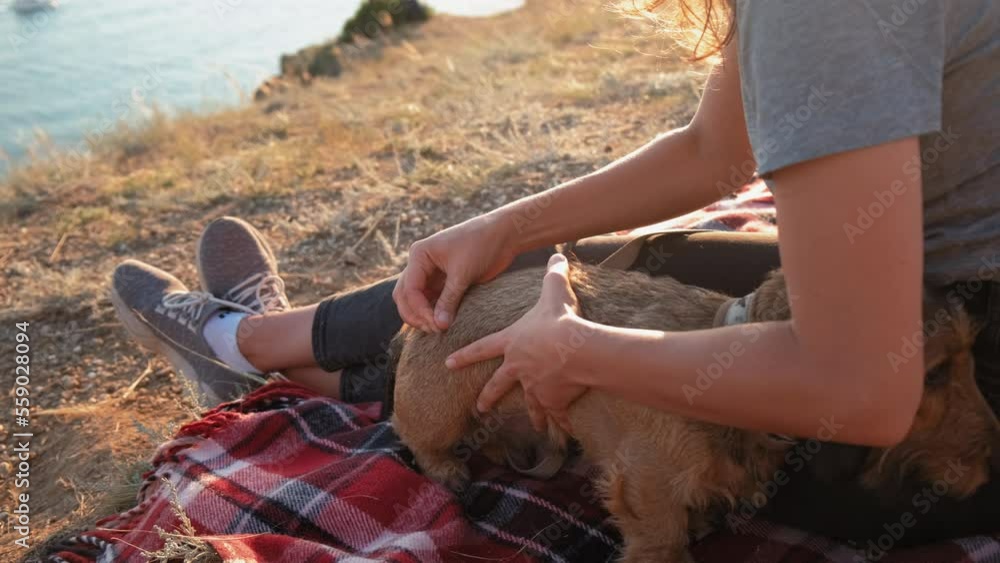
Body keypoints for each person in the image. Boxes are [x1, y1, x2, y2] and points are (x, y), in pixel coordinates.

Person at [110, 0, 999, 547]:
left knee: (562, 321)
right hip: (925, 289)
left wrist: (582, 354)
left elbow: (861, 388)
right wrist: (505, 225)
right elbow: (716, 151)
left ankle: (256, 353)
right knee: (571, 264)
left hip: (954, 363)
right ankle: (257, 341)